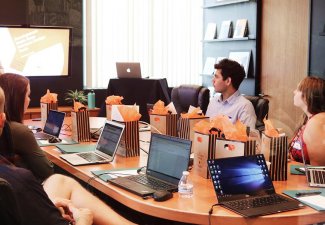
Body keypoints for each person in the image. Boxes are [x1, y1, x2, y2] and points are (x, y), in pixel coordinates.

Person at [0, 87, 136, 225]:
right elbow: (45, 169)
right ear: (1, 120)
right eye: (28, 95)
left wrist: (48, 206)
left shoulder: (9, 174)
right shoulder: (20, 179)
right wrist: (83, 219)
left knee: (59, 180)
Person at [0, 73, 53, 181]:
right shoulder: (20, 131)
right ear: (17, 99)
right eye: (27, 95)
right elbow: (47, 171)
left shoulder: (9, 127)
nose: (29, 100)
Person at [205, 59, 257, 129]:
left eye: (216, 77)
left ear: (228, 81)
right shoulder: (213, 101)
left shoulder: (245, 107)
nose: (213, 80)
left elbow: (248, 138)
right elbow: (204, 130)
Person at [289, 76, 325, 166]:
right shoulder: (307, 118)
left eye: (298, 89)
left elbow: (318, 173)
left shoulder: (316, 122)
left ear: (307, 96)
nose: (294, 92)